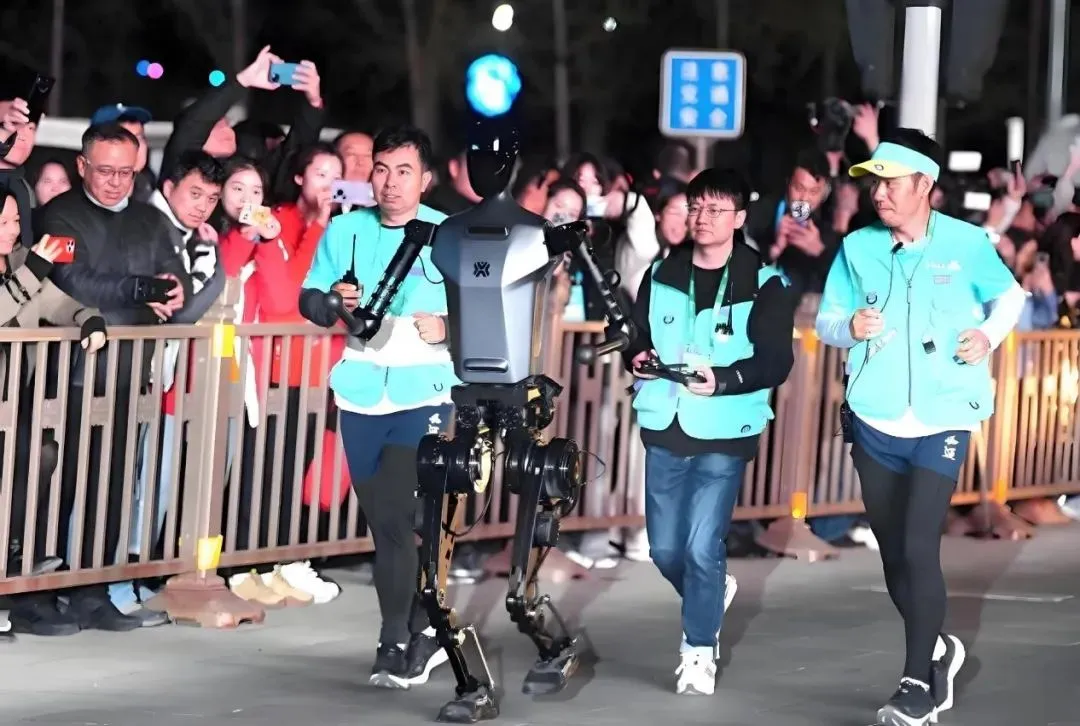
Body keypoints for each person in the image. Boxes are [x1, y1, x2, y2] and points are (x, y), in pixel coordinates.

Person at [816, 129, 1026, 726]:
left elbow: (1009, 297)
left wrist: (987, 335)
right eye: (874, 183)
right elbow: (828, 320)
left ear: (924, 185)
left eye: (890, 183)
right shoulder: (857, 247)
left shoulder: (966, 243)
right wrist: (848, 328)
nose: (879, 193)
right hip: (874, 415)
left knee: (917, 544)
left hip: (944, 415)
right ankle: (939, 648)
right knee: (893, 556)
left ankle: (914, 686)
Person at [623, 168, 797, 696]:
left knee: (702, 544)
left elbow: (776, 362)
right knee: (664, 550)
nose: (702, 217)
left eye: (716, 209)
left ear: (739, 218)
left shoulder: (764, 282)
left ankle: (698, 650)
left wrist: (723, 380)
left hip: (725, 426)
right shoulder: (661, 273)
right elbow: (638, 333)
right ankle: (712, 590)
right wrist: (637, 355)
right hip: (666, 421)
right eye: (696, 206)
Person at [299, 125, 455, 688]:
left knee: (398, 515)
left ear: (426, 179)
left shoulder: (450, 235)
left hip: (426, 390)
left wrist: (450, 326)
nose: (390, 182)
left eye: (404, 171)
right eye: (382, 170)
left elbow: (488, 309)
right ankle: (423, 625)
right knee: (385, 521)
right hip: (361, 388)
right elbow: (309, 297)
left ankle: (393, 639)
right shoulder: (346, 230)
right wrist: (330, 304)